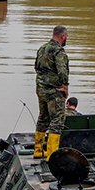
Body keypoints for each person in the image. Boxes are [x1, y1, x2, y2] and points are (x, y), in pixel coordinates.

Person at [34, 25, 69, 159]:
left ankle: (38, 150)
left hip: (40, 89)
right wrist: (65, 87)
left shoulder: (42, 48)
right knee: (57, 121)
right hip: (54, 91)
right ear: (63, 36)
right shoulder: (58, 51)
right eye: (66, 37)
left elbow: (36, 67)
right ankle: (52, 155)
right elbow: (62, 71)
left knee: (43, 117)